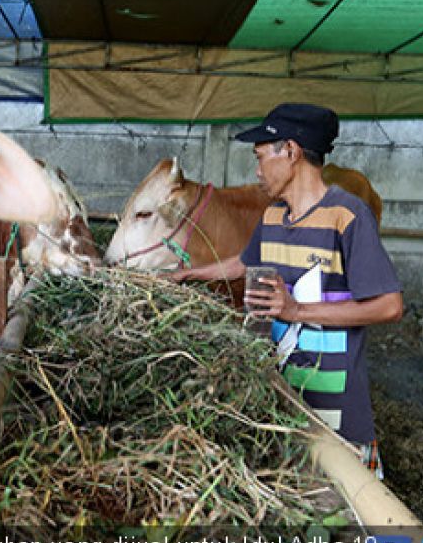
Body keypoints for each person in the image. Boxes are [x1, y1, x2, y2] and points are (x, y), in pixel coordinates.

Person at [167, 103, 402, 477]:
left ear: (290, 152)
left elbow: (389, 306)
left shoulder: (348, 216)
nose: (257, 171)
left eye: (261, 158)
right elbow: (242, 263)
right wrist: (187, 275)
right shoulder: (274, 215)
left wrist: (297, 312)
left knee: (349, 512)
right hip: (280, 396)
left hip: (336, 408)